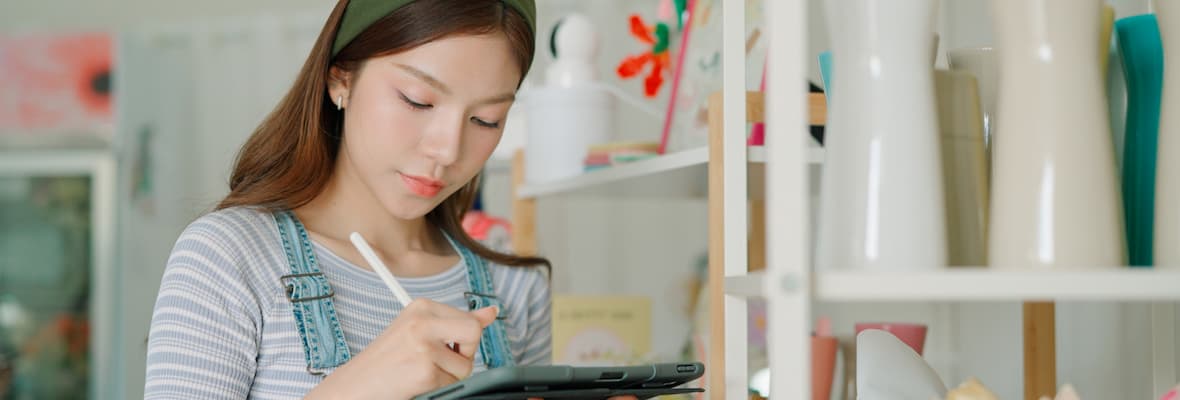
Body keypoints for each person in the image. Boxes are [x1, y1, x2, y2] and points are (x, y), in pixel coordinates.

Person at [144, 1, 565, 398]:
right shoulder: (229, 257)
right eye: (418, 101)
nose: (448, 150)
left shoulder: (516, 290)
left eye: (485, 120)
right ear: (340, 79)